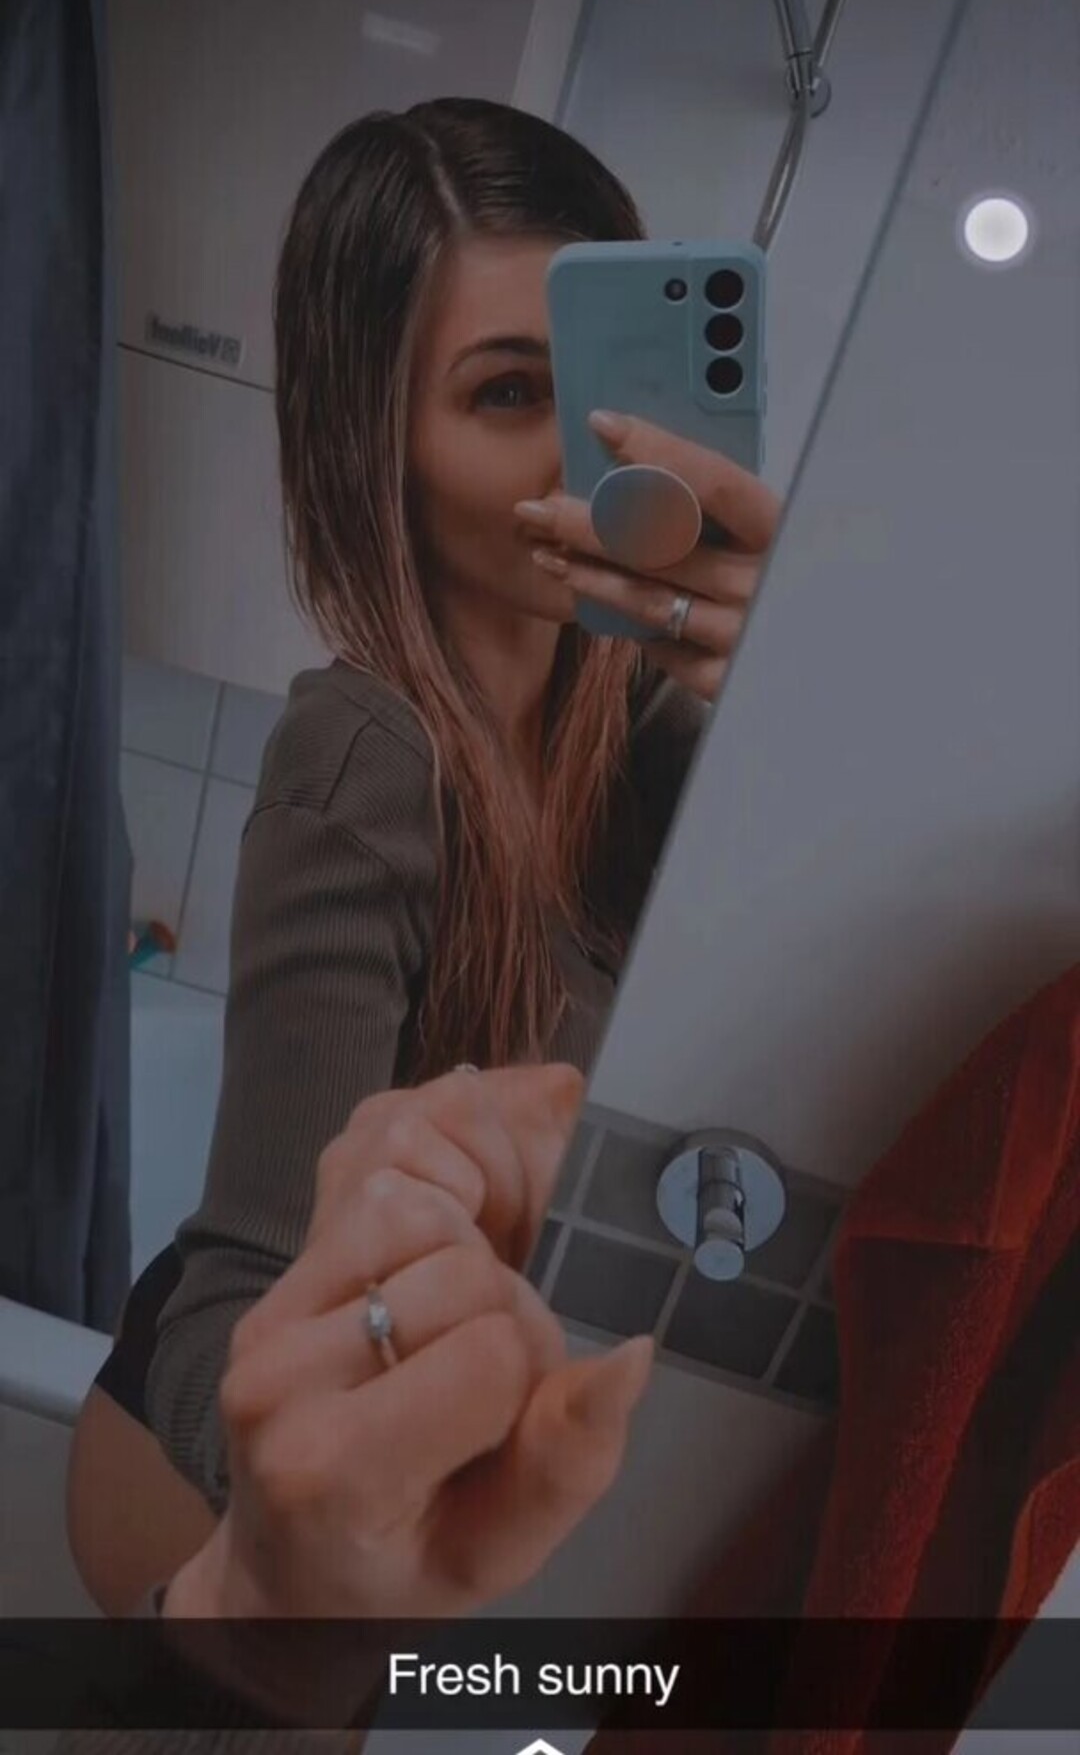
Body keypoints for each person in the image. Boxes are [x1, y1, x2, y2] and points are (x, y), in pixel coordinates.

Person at [66, 97, 781, 1643]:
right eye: (506, 391)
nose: (583, 449)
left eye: (600, 381)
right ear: (375, 438)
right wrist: (334, 1542)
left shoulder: (643, 730)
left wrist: (791, 684)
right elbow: (234, 1299)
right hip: (206, 1507)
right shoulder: (365, 756)